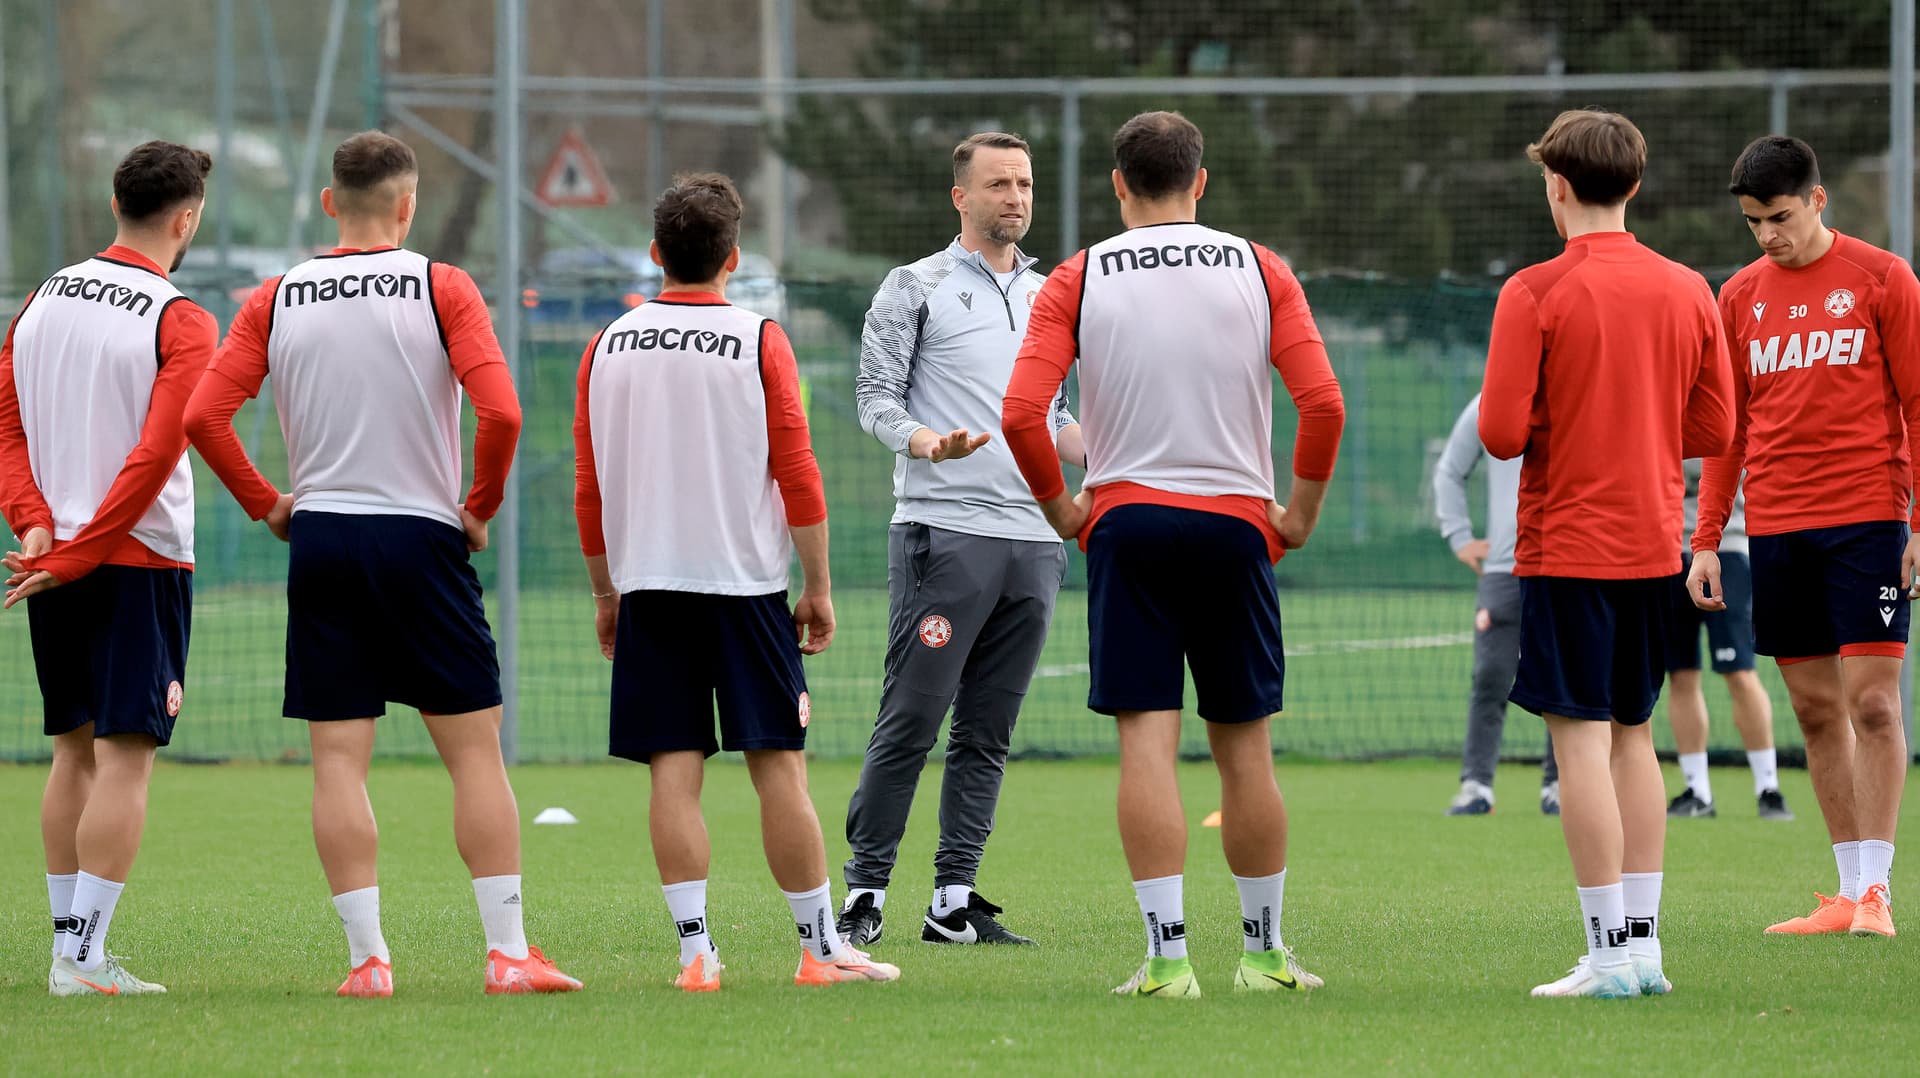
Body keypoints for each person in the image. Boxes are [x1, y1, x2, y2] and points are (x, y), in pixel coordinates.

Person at [182, 131, 579, 997]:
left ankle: (368, 963)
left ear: (331, 203)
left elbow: (205, 417)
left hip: (323, 536)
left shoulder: (276, 295)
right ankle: (508, 955)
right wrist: (478, 508)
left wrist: (271, 505)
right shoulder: (443, 285)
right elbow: (502, 414)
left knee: (337, 761)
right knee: (475, 756)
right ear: (408, 206)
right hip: (421, 537)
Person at [1004, 110, 1345, 999]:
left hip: (1129, 525)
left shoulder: (1079, 274)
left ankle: (1166, 962)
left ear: (1118, 185)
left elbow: (1019, 413)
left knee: (1146, 750)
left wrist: (1064, 513)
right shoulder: (1259, 265)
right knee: (1247, 754)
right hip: (1238, 526)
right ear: (1202, 181)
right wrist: (1297, 515)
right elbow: (1325, 404)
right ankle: (1265, 957)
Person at [574, 172, 900, 992]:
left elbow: (590, 486)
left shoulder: (605, 343)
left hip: (649, 585)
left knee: (672, 774)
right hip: (745, 589)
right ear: (733, 258)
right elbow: (797, 471)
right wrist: (817, 584)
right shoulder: (759, 338)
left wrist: (606, 593)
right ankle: (820, 951)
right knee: (779, 769)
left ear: (656, 255)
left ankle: (695, 956)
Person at [1479, 109, 1733, 999]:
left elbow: (1502, 434)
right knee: (1636, 740)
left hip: (1567, 548)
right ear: (1634, 183)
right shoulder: (1689, 287)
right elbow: (1716, 426)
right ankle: (1644, 949)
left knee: (1579, 745)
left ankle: (1608, 957)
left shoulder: (1534, 291)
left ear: (1555, 184)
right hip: (1653, 546)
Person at [838, 132, 1082, 949]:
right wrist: (924, 442)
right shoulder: (916, 286)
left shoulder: (1054, 295)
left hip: (1037, 540)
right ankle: (864, 893)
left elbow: (1057, 417)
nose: (1015, 197)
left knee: (988, 730)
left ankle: (953, 898)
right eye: (998, 184)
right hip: (946, 535)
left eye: (1024, 183)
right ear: (961, 198)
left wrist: (1116, 446)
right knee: (911, 718)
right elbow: (874, 398)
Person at [0, 141, 218, 996]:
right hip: (136, 559)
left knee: (72, 752)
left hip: (55, 557)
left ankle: (70, 950)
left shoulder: (42, 298)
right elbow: (157, 454)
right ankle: (82, 960)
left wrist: (36, 523)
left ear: (115, 203)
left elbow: (8, 423)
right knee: (126, 754)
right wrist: (82, 543)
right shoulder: (179, 317)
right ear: (187, 217)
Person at [1691, 135, 1918, 938]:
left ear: (1818, 201)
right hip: (1778, 530)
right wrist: (1707, 537)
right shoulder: (1738, 297)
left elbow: (1919, 404)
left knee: (1876, 707)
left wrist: (1919, 520)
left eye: (1779, 217)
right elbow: (1728, 431)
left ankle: (1879, 896)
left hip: (1869, 521)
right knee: (1818, 713)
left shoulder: (1884, 279)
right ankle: (1849, 893)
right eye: (1753, 221)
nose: (1766, 236)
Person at [1433, 393, 1558, 816]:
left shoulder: (1580, 385)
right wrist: (1459, 536)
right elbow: (1449, 469)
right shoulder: (1491, 402)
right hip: (1504, 570)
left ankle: (1561, 786)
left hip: (1567, 564)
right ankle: (1476, 787)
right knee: (1490, 677)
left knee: (1567, 679)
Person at [1665, 460, 1791, 821]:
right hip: (1670, 550)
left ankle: (1769, 788)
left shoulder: (1722, 406)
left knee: (1739, 672)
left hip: (1727, 549)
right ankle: (1697, 791)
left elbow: (1714, 464)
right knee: (1681, 674)